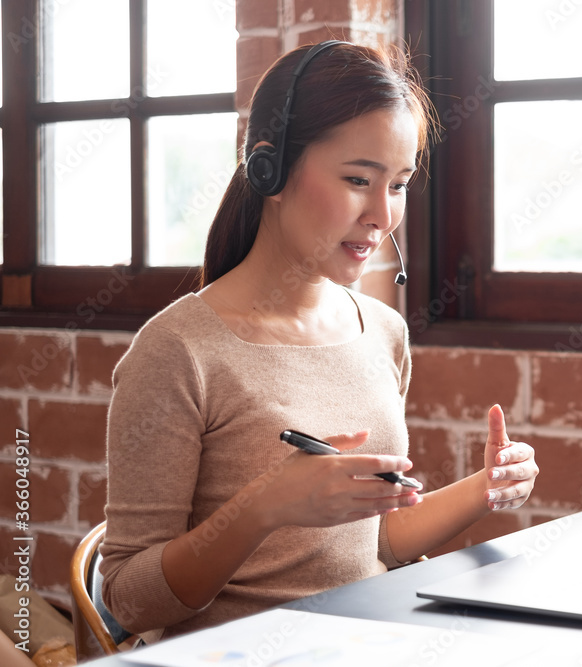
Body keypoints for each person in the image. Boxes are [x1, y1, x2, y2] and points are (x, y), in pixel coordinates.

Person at [100, 41, 539, 643]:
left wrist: (482, 490)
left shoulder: (383, 332)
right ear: (269, 170)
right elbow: (128, 598)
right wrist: (263, 508)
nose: (383, 215)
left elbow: (373, 541)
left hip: (361, 643)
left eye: (400, 184)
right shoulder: (176, 352)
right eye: (359, 179)